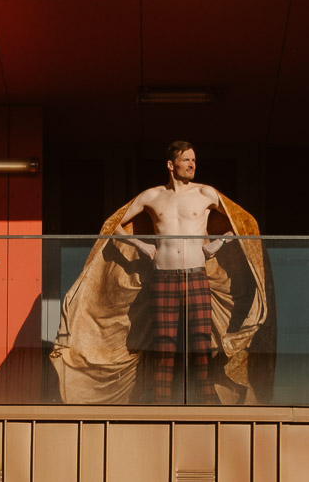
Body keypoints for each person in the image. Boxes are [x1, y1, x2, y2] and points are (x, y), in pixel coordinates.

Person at [49, 141, 272, 403]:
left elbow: (244, 223)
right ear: (171, 164)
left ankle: (208, 403)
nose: (192, 165)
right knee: (164, 345)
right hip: (163, 276)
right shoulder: (152, 196)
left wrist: (218, 244)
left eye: (194, 160)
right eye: (187, 160)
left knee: (201, 344)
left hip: (196, 275)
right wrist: (142, 245)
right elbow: (112, 224)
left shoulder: (205, 193)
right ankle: (160, 403)